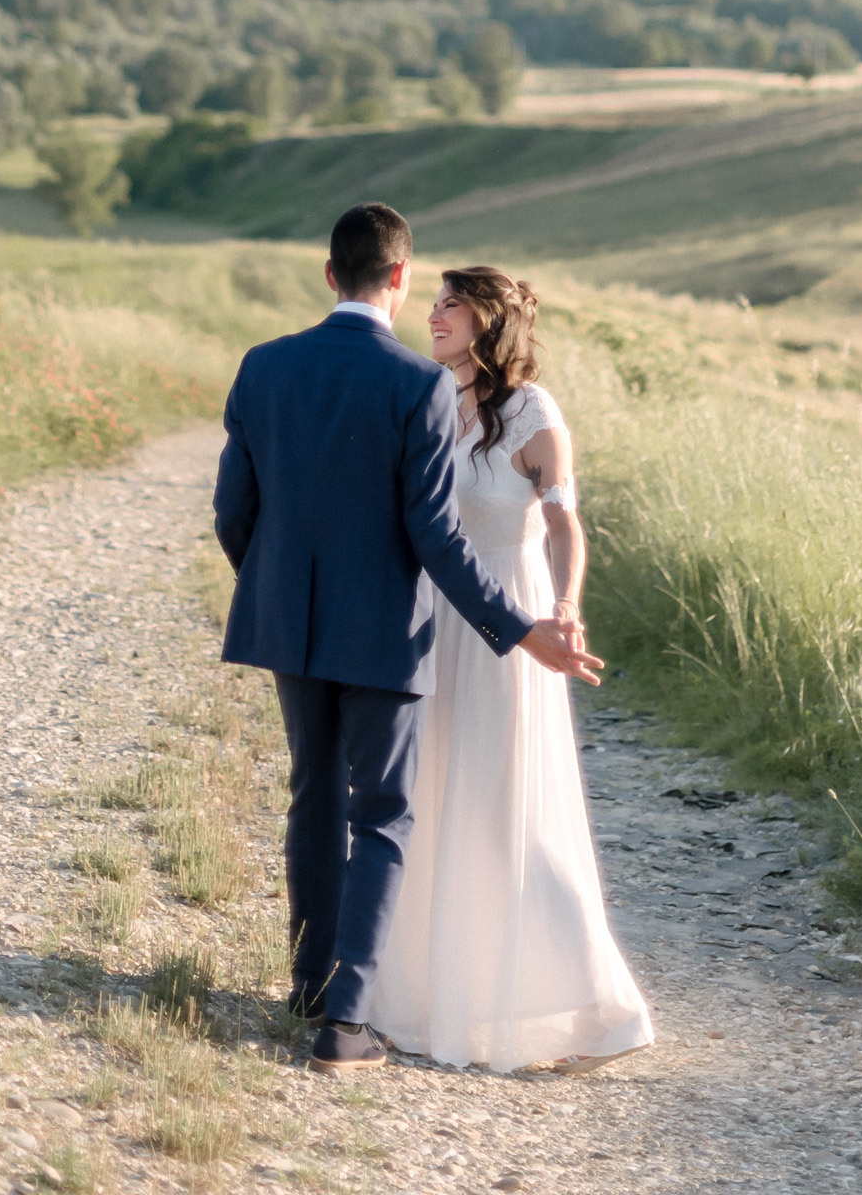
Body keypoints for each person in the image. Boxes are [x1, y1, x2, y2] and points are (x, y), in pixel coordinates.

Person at [213, 202, 604, 1074]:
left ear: (329, 275)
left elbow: (232, 512)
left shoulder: (262, 365)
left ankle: (309, 985)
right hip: (388, 631)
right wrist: (519, 631)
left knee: (312, 798)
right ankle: (343, 1024)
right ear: (396, 277)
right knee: (381, 814)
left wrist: (279, 588)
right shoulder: (416, 385)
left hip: (292, 628)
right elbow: (433, 535)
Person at [366, 265, 653, 1073]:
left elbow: (563, 523)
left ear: (489, 320)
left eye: (451, 303)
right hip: (431, 619)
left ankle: (601, 1005)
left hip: (508, 622)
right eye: (435, 301)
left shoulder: (534, 412)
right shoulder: (427, 396)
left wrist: (564, 604)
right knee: (426, 795)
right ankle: (425, 997)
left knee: (499, 805)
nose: (433, 313)